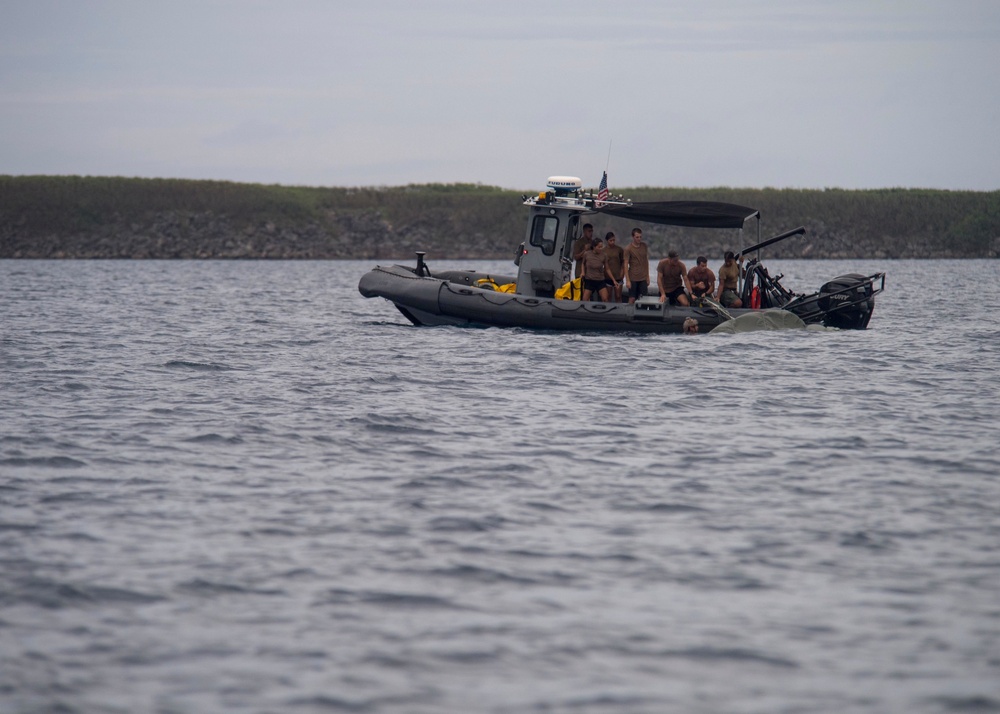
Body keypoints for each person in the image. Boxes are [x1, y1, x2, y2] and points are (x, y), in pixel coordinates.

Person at [580, 236, 614, 302]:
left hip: (600, 280)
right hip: (589, 280)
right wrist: (583, 272)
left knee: (605, 299)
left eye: (602, 247)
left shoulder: (604, 255)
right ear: (594, 247)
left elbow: (607, 269)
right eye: (599, 247)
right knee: (585, 299)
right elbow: (583, 264)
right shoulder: (587, 254)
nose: (601, 249)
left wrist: (614, 280)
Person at [622, 228, 650, 304]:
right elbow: (625, 264)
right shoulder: (628, 249)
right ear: (633, 237)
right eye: (637, 237)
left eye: (640, 237)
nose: (639, 239)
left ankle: (644, 314)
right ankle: (629, 314)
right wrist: (627, 280)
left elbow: (646, 261)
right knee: (632, 298)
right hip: (633, 277)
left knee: (644, 298)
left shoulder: (644, 246)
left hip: (643, 277)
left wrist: (647, 276)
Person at [603, 231, 625, 303]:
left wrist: (623, 272)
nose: (612, 242)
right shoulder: (603, 250)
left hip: (618, 276)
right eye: (610, 240)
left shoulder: (619, 249)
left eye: (613, 240)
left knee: (618, 296)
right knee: (608, 296)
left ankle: (620, 312)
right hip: (607, 277)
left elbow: (623, 262)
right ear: (607, 241)